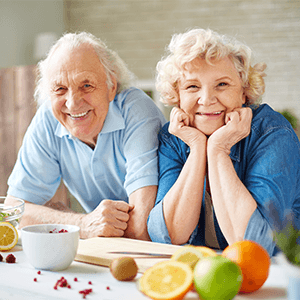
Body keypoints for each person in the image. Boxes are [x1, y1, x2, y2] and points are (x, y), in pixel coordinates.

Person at [147, 28, 300, 256]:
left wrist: (218, 150)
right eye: (192, 86)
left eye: (222, 85)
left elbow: (257, 244)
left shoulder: (273, 132)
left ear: (244, 92)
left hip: (276, 281)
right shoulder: (174, 137)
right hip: (211, 278)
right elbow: (166, 235)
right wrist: (199, 147)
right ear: (177, 95)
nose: (207, 100)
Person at [5, 32, 166, 240]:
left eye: (86, 85)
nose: (72, 103)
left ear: (111, 87)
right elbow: (14, 212)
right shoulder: (49, 117)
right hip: (105, 253)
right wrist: (81, 223)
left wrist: (61, 218)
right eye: (60, 89)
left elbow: (140, 227)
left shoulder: (136, 110)